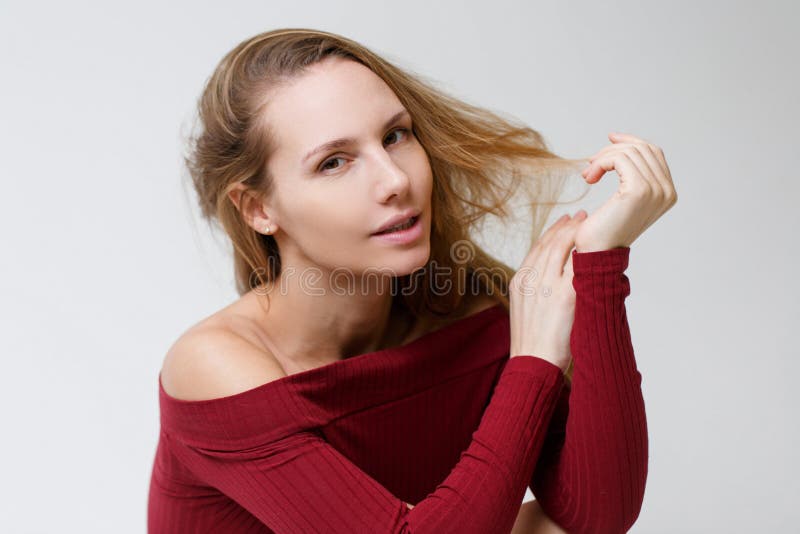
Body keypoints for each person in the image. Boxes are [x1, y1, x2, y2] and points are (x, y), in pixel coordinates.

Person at [148, 28, 676, 533]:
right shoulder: (214, 367)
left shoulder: (473, 322)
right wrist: (534, 361)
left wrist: (601, 264)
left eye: (395, 135)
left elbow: (598, 515)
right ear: (258, 208)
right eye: (334, 162)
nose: (395, 180)